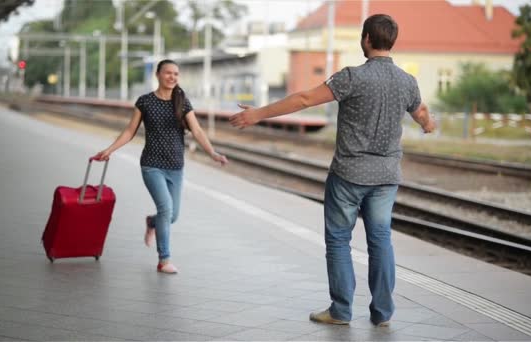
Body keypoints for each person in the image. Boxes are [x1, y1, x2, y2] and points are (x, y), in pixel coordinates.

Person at [229, 14, 435, 326]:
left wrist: (258, 114)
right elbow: (420, 112)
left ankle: (340, 311)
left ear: (366, 39)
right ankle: (382, 313)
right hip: (385, 177)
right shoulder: (408, 82)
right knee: (380, 240)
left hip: (348, 175)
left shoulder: (352, 77)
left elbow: (304, 98)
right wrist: (428, 124)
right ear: (392, 42)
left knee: (339, 239)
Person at [94, 59, 228, 274]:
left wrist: (212, 153)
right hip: (152, 165)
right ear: (158, 75)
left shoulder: (182, 102)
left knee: (172, 216)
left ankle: (151, 222)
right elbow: (129, 131)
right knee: (166, 209)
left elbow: (197, 131)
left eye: (176, 73)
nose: (172, 77)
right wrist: (109, 150)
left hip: (176, 166)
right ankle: (164, 260)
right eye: (168, 73)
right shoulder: (145, 102)